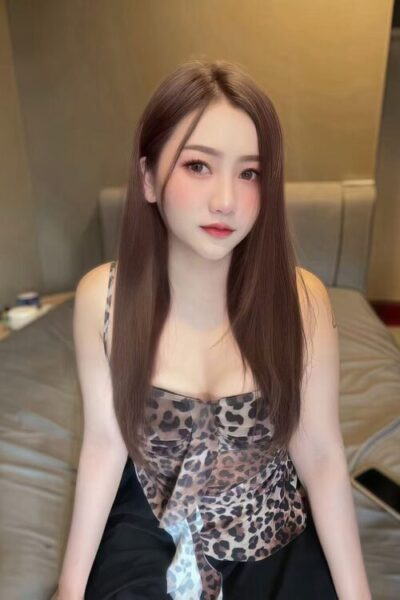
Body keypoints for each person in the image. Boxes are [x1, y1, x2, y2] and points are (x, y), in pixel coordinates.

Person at [54, 58, 371, 599]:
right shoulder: (101, 299)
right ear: (148, 177)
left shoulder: (304, 304)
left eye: (249, 173)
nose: (226, 200)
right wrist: (69, 588)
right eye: (198, 165)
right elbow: (106, 442)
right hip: (154, 523)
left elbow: (319, 454)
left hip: (269, 529)